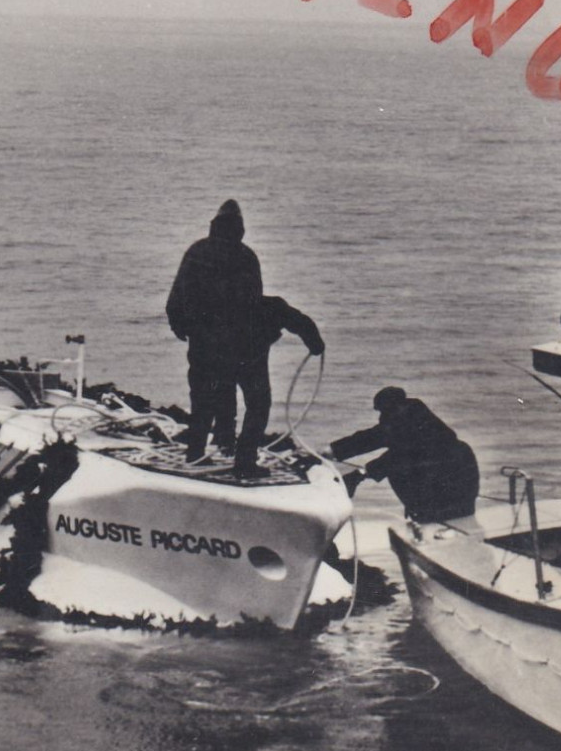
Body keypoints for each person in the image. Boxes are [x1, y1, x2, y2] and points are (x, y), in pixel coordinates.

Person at [165, 199, 321, 477]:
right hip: (246, 350)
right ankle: (244, 462)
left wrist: (182, 327)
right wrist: (314, 341)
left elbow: (176, 298)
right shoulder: (246, 256)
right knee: (258, 405)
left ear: (214, 226)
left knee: (204, 400)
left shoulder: (197, 251)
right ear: (240, 230)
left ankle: (196, 453)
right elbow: (259, 304)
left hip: (204, 345)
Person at [329, 387, 480, 523]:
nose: (381, 417)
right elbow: (398, 452)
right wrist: (360, 473)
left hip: (440, 491)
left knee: (401, 468)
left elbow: (374, 441)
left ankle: (424, 520)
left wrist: (333, 452)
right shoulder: (423, 419)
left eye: (381, 411)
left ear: (386, 408)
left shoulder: (400, 420)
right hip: (464, 482)